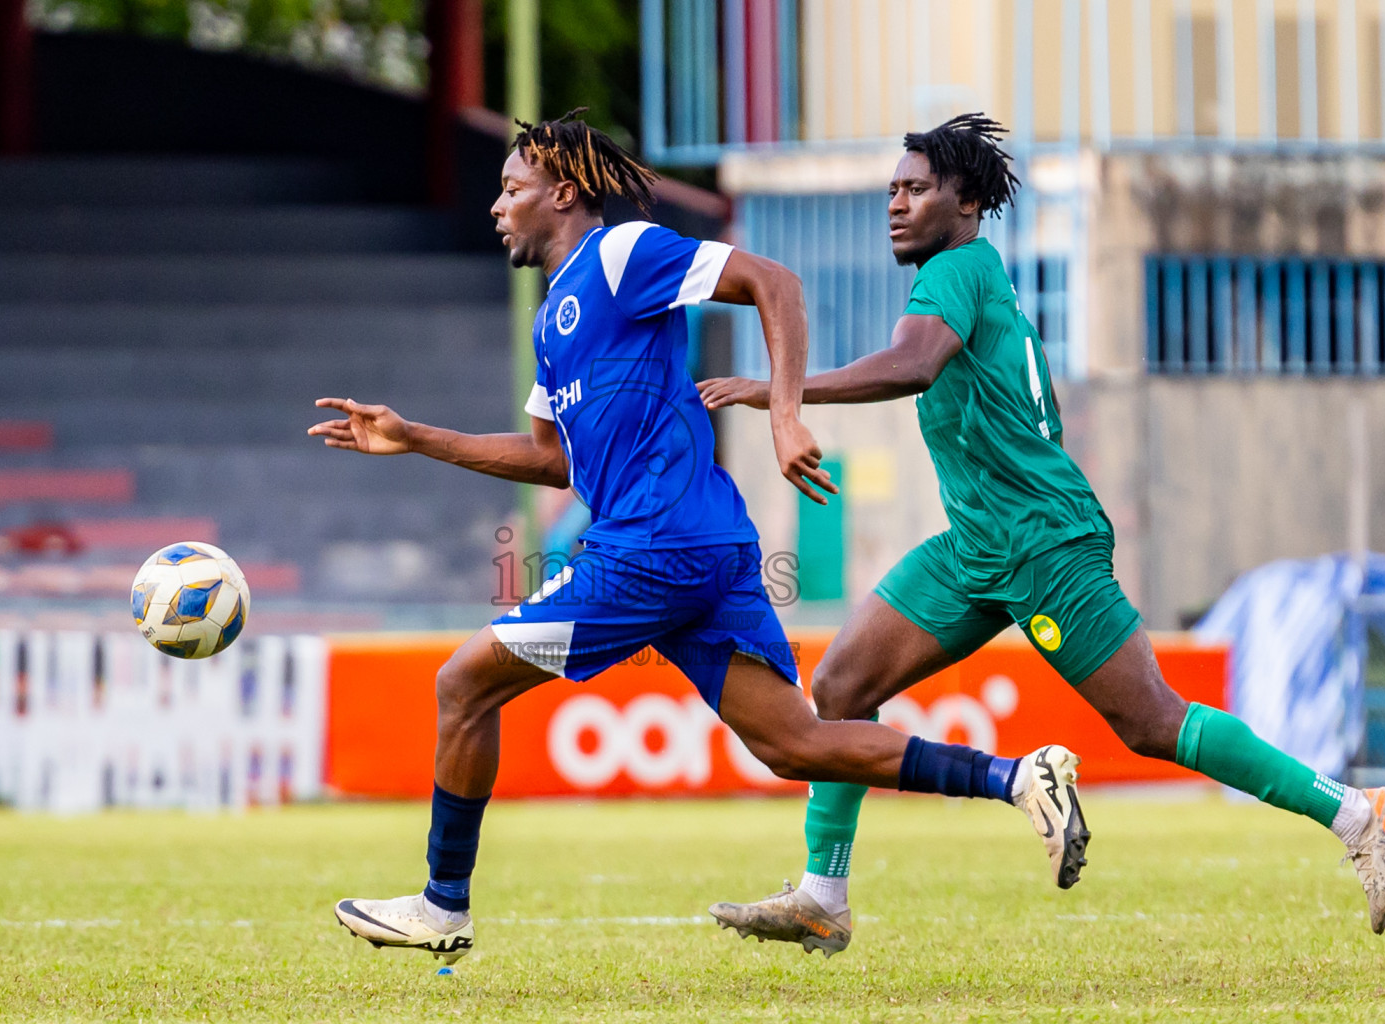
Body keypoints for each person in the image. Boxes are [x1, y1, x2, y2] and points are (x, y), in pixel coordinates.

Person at [308, 111, 1085, 964]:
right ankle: (1018, 778)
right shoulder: (553, 321)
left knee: (463, 686)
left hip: (652, 545)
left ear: (563, 192)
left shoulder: (620, 253)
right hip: (702, 547)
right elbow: (550, 459)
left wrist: (784, 415)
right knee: (795, 744)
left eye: (512, 189)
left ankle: (441, 903)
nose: (497, 206)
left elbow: (774, 283)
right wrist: (417, 437)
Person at [697, 113, 1385, 954]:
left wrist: (780, 392)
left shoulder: (954, 271)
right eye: (891, 188)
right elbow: (1032, 404)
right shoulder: (977, 277)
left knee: (1151, 722)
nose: (895, 203)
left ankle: (1359, 813)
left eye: (915, 189)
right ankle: (823, 895)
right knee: (844, 685)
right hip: (978, 547)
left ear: (964, 203)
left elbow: (913, 366)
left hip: (1039, 548)